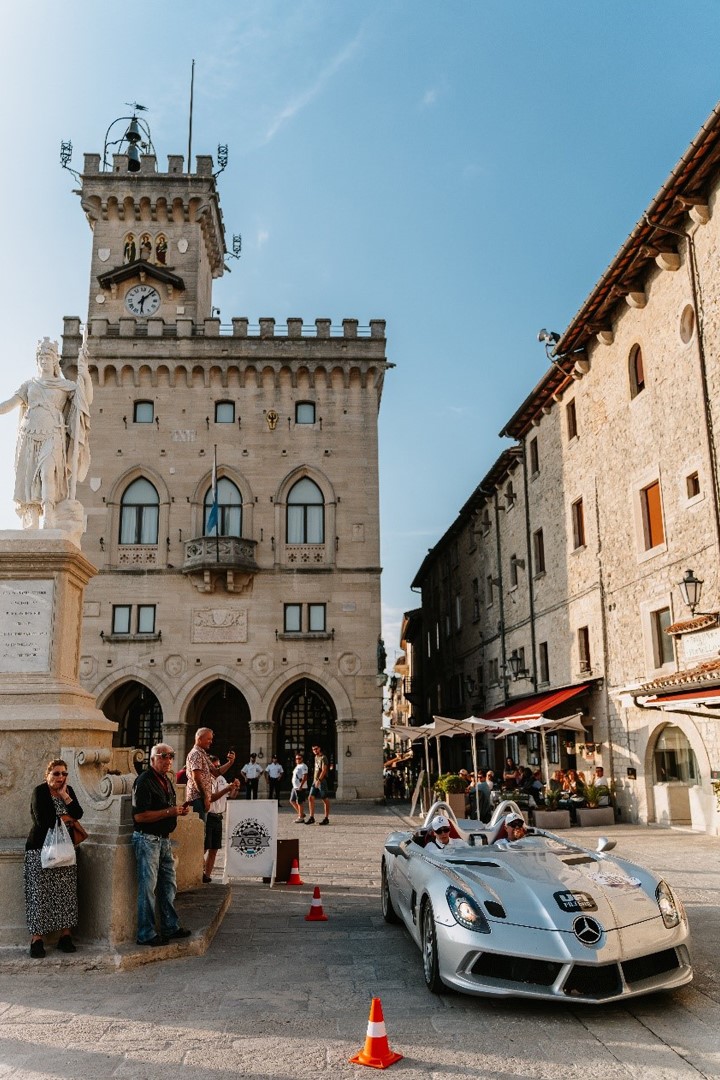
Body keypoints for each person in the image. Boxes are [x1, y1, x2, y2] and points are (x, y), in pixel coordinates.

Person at [0, 336, 92, 529]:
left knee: (47, 472)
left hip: (53, 433)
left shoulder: (64, 385)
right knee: (29, 476)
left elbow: (85, 399)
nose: (44, 361)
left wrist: (85, 376)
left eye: (48, 358)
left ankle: (49, 516)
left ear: (55, 361)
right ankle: (32, 519)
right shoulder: (30, 385)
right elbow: (9, 404)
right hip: (29, 433)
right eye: (41, 358)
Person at [131, 743, 192, 946]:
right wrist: (170, 812)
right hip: (147, 839)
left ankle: (170, 926)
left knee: (169, 885)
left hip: (164, 839)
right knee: (148, 888)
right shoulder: (144, 781)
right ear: (152, 759)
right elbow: (139, 816)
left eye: (171, 756)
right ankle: (146, 933)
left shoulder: (165, 780)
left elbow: (168, 808)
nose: (168, 760)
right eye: (163, 756)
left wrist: (178, 811)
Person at [24, 759, 85, 958]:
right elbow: (44, 820)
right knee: (39, 894)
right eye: (56, 773)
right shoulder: (39, 792)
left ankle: (65, 936)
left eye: (64, 774)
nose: (61, 777)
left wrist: (65, 796)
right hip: (40, 849)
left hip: (65, 849)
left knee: (65, 892)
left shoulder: (68, 791)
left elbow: (79, 813)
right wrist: (66, 818)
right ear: (47, 775)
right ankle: (37, 939)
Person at [185, 728, 236, 820]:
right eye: (209, 739)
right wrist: (205, 798)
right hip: (197, 798)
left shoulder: (202, 754)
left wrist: (230, 762)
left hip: (201, 799)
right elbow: (196, 778)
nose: (211, 742)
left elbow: (216, 772)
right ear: (200, 738)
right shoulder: (196, 754)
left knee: (202, 830)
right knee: (199, 830)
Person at [203, 756, 240, 883]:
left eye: (219, 766)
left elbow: (232, 796)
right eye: (216, 766)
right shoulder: (206, 780)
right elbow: (211, 798)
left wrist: (235, 787)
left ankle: (207, 875)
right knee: (204, 848)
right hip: (209, 817)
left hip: (218, 817)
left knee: (214, 849)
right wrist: (227, 789)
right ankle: (198, 871)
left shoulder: (221, 779)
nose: (219, 768)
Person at [305, 744, 330, 825]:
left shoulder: (323, 757)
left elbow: (324, 770)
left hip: (321, 781)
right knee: (310, 798)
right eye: (313, 749)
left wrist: (319, 780)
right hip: (315, 781)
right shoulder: (316, 757)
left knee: (324, 799)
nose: (315, 750)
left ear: (319, 748)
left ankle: (326, 818)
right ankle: (312, 817)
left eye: (316, 749)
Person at [289, 752, 309, 822]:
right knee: (292, 800)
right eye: (296, 758)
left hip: (300, 787)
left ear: (302, 759)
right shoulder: (297, 766)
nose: (297, 760)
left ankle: (301, 817)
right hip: (295, 787)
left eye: (299, 758)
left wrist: (301, 786)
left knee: (299, 802)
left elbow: (305, 776)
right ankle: (301, 813)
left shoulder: (303, 766)